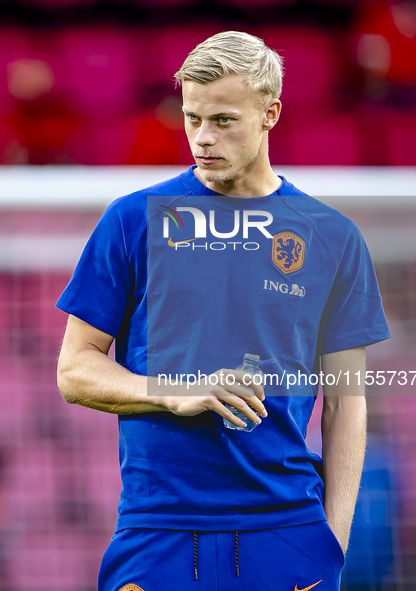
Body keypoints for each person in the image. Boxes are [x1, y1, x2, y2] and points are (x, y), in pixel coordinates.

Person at [56, 31, 391, 591]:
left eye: (223, 120)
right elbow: (74, 370)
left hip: (287, 530)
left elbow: (345, 403)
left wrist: (331, 542)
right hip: (157, 528)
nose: (202, 139)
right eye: (192, 118)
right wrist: (173, 390)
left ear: (270, 114)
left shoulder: (332, 237)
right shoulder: (133, 220)